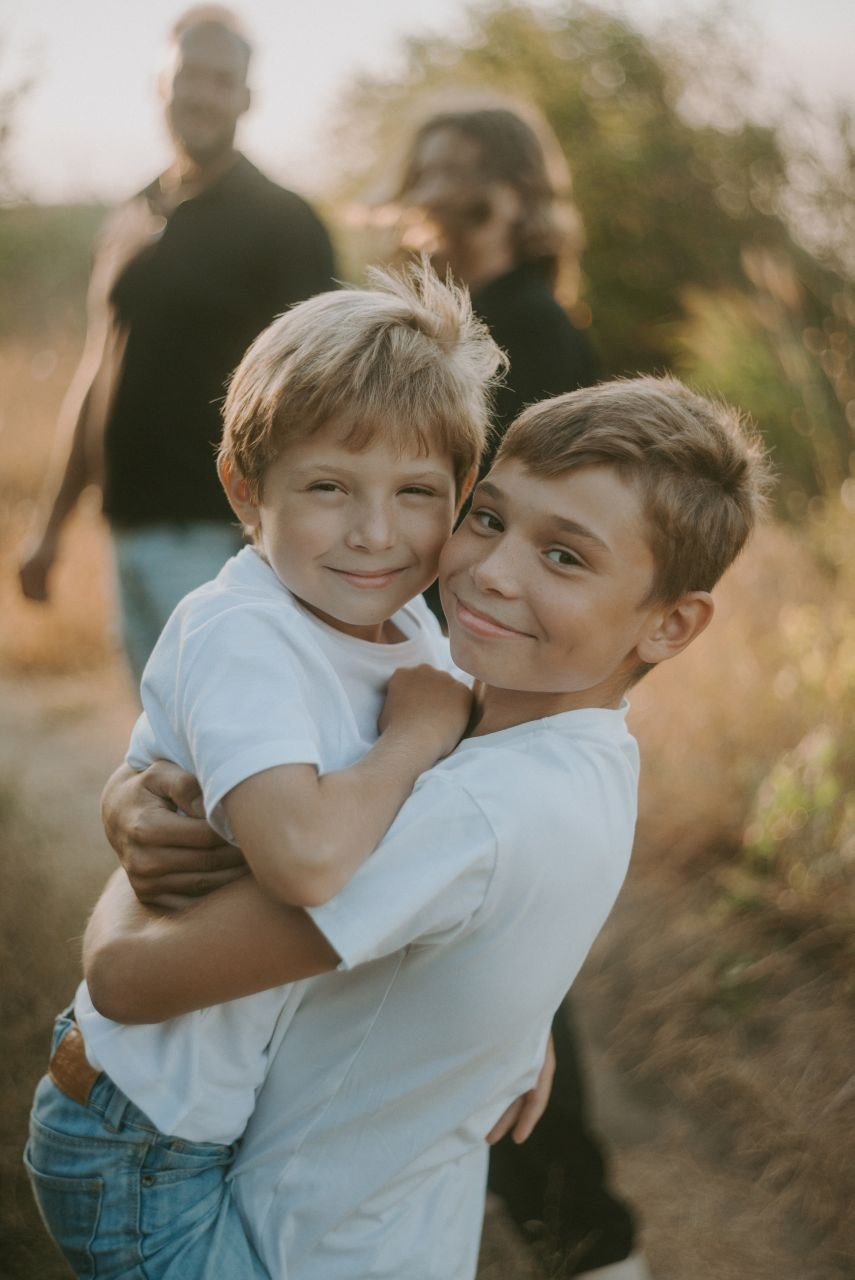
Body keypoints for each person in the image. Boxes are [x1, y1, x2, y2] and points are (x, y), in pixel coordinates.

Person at [86, 376, 770, 1279]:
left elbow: (127, 980)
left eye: (564, 558)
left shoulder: (472, 806)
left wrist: (130, 840)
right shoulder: (576, 751)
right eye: (487, 518)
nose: (491, 569)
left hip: (286, 1246)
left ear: (671, 624)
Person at [24, 263, 517, 1277]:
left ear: (461, 497)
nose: (377, 533)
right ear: (247, 490)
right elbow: (300, 860)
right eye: (328, 486)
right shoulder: (243, 629)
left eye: (418, 492)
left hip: (229, 1112)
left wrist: (519, 1015)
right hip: (139, 1133)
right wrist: (415, 738)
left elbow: (459, 855)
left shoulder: (415, 629)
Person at [399, 104, 639, 1277]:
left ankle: (582, 1230)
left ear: (514, 192)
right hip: (453, 653)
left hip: (510, 672)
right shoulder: (441, 325)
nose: (439, 188)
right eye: (429, 168)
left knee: (512, 961)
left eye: (467, 171)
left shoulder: (539, 328)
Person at [17, 5, 336, 684]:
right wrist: (51, 527)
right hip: (126, 528)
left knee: (230, 751)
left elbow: (325, 400)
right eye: (189, 73)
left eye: (222, 79)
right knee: (164, 762)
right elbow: (97, 370)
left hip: (224, 539)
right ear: (160, 82)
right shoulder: (131, 216)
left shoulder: (284, 224)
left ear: (247, 99)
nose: (202, 93)